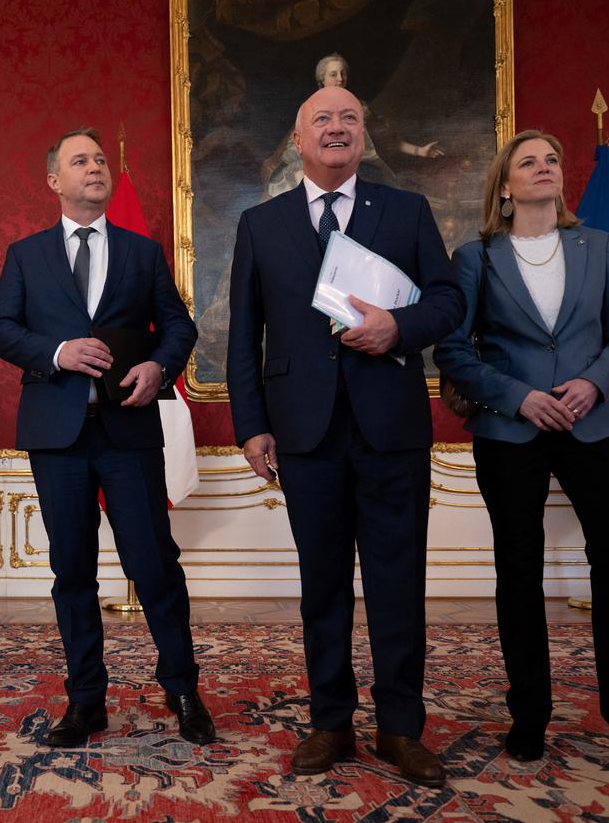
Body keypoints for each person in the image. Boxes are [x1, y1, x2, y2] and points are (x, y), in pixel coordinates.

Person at [227, 86, 464, 783]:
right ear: (299, 141)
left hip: (391, 426)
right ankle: (330, 722)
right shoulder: (260, 224)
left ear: (364, 137)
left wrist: (400, 326)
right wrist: (251, 426)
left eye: (349, 119)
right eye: (322, 119)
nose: (337, 128)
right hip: (304, 432)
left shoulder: (406, 210)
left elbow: (449, 300)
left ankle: (400, 727)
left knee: (398, 582)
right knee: (321, 584)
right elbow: (245, 336)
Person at [433, 131, 609, 774]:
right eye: (527, 162)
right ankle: (529, 715)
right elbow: (453, 352)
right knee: (519, 568)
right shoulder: (475, 256)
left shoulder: (600, 245)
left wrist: (592, 383)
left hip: (596, 424)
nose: (544, 168)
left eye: (552, 160)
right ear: (505, 187)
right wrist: (519, 397)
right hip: (512, 431)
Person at [0, 128, 214, 747]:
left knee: (155, 565)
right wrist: (57, 351)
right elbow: (2, 330)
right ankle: (86, 701)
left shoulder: (143, 251)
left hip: (128, 431)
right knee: (73, 572)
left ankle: (184, 690)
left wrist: (159, 367)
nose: (95, 168)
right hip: (57, 438)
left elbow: (178, 326)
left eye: (101, 159)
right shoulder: (26, 255)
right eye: (80, 161)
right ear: (54, 181)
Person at [261, 53, 444, 199]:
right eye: (333, 74)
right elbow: (297, 151)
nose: (340, 78)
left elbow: (388, 140)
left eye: (343, 73)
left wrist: (420, 151)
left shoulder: (360, 108)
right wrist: (302, 174)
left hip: (362, 172)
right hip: (319, 175)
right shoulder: (310, 110)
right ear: (322, 79)